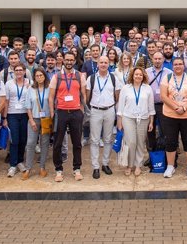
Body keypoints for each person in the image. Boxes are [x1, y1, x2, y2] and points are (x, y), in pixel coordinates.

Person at [49, 51, 86, 182]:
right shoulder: (56, 76)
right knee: (58, 143)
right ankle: (58, 170)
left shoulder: (79, 76)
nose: (69, 62)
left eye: (72, 60)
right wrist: (53, 112)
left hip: (76, 112)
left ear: (75, 61)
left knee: (77, 143)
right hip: (61, 112)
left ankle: (77, 169)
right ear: (63, 60)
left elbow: (83, 94)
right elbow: (51, 96)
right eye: (67, 60)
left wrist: (81, 109)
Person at [160, 57, 187, 178]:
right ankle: (170, 166)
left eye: (180, 64)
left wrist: (184, 108)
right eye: (175, 64)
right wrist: (176, 108)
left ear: (184, 65)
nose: (178, 66)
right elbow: (164, 96)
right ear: (172, 66)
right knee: (170, 140)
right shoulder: (167, 77)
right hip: (170, 114)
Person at [86, 55, 121, 179]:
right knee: (95, 140)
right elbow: (87, 96)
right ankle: (95, 166)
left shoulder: (113, 78)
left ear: (108, 64)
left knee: (108, 139)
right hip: (95, 111)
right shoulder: (91, 79)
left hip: (110, 110)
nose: (103, 64)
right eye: (101, 62)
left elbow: (117, 95)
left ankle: (105, 164)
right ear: (97, 64)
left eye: (106, 62)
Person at [117, 67, 155, 176]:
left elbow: (151, 107)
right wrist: (119, 121)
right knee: (131, 142)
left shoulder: (147, 88)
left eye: (140, 75)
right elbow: (121, 106)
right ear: (132, 76)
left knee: (140, 142)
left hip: (143, 118)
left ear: (143, 76)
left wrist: (151, 122)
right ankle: (129, 165)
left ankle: (138, 165)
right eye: (136, 74)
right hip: (128, 118)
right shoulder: (126, 88)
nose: (138, 76)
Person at [4, 63, 31, 177]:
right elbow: (6, 101)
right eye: (17, 70)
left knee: (23, 139)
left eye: (21, 70)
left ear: (25, 71)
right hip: (12, 114)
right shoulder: (9, 83)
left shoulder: (29, 83)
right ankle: (13, 165)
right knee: (14, 139)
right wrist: (4, 117)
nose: (19, 72)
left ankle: (20, 161)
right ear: (14, 71)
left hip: (25, 114)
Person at [24, 67, 51, 179]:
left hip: (46, 119)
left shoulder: (49, 88)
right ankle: (28, 168)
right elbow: (28, 106)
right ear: (34, 78)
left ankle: (42, 167)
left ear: (45, 76)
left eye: (41, 75)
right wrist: (31, 120)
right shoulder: (31, 89)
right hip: (34, 119)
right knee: (30, 143)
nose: (39, 78)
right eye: (37, 76)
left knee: (44, 143)